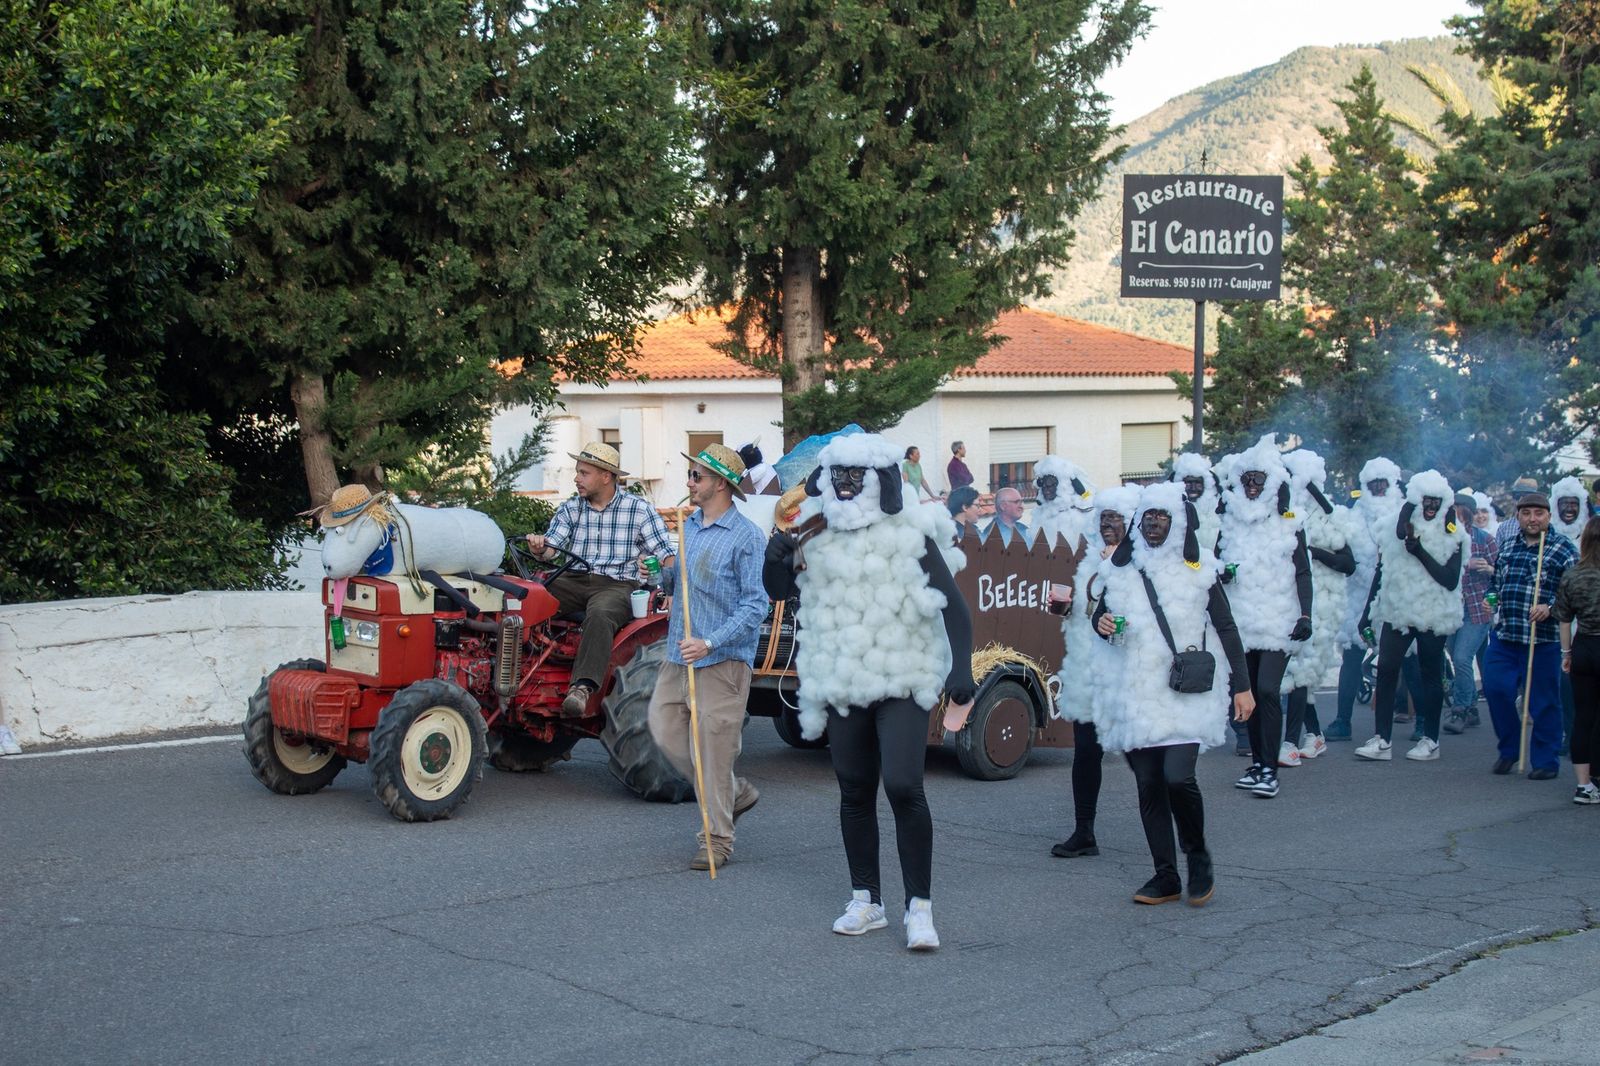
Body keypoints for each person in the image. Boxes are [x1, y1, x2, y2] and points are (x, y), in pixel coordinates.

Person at [762, 433, 974, 951]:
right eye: (838, 477)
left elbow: (956, 608)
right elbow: (778, 592)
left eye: (857, 476)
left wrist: (961, 670)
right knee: (854, 790)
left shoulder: (911, 537)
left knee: (903, 786)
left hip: (901, 676)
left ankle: (919, 908)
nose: (846, 486)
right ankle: (867, 901)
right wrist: (775, 557)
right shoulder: (814, 536)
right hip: (840, 677)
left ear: (881, 481)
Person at [1089, 483, 1254, 906]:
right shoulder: (1121, 569)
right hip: (1137, 690)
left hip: (1186, 688)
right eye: (1147, 518)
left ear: (1178, 522)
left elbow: (1227, 626)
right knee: (1148, 782)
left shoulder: (1200, 570)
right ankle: (1165, 875)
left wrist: (1243, 686)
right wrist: (1102, 623)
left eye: (1162, 517)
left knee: (1177, 777)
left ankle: (1197, 854)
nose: (1153, 524)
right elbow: (1101, 615)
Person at [647, 444, 769, 870]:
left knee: (713, 753)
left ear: (721, 484)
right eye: (690, 475)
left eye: (696, 476)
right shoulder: (690, 526)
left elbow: (756, 606)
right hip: (679, 653)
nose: (689, 483)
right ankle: (732, 794)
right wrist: (660, 572)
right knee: (663, 731)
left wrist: (711, 642)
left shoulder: (748, 536)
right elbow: (679, 583)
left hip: (722, 660)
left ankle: (717, 839)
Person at [525, 442, 675, 715]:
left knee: (602, 612)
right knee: (527, 597)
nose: (576, 479)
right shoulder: (571, 508)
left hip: (618, 583)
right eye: (577, 472)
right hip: (573, 579)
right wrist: (540, 547)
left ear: (606, 476)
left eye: (584, 473)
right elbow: (551, 547)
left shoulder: (638, 509)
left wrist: (672, 575)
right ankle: (517, 672)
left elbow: (665, 553)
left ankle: (582, 687)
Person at [1216, 435, 1311, 798]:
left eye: (1258, 480)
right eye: (1247, 480)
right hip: (1241, 620)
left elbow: (1303, 571)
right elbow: (1213, 564)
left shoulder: (1291, 522)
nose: (1252, 487)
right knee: (1248, 692)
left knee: (1269, 690)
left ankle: (1270, 768)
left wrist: (1306, 614)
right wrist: (1222, 573)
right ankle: (1257, 763)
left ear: (1271, 483)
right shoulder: (1231, 523)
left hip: (1279, 619)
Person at [1050, 484, 1139, 860]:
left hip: (1126, 673)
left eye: (1116, 519)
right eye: (1104, 518)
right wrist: (1064, 608)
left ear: (1130, 523)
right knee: (1086, 752)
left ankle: (1175, 827)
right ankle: (1084, 831)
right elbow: (1085, 613)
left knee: (1144, 756)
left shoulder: (1140, 564)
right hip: (1090, 673)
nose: (1108, 525)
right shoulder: (1091, 562)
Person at [1354, 470, 1466, 763]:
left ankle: (1431, 740)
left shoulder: (1455, 534)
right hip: (1398, 609)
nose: (1430, 508)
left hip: (1433, 612)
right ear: (1415, 501)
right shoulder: (1395, 527)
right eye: (1425, 501)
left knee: (1430, 673)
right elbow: (1382, 573)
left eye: (1436, 502)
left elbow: (1450, 579)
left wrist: (1420, 552)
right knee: (1387, 669)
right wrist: (1367, 614)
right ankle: (1382, 740)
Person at [1483, 492, 1579, 778]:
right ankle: (1509, 749)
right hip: (1506, 636)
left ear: (1548, 516)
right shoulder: (1508, 547)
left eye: (1538, 513)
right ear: (1518, 517)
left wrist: (1550, 607)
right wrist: (1492, 600)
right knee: (1496, 690)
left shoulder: (1564, 549)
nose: (1533, 519)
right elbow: (1495, 585)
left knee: (1544, 701)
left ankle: (1546, 761)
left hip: (1544, 640)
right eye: (1527, 514)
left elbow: (1574, 594)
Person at [1281, 449, 1355, 762]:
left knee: (1301, 672)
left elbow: (1349, 563)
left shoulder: (1330, 518)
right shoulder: (1283, 516)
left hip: (1323, 606)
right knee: (1298, 674)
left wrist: (1315, 553)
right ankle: (1316, 734)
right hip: (1289, 603)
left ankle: (1289, 742)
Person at [1329, 457, 1404, 742]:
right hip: (1359, 598)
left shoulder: (1402, 511)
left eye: (1382, 484)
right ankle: (1342, 721)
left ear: (1392, 484)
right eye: (1372, 485)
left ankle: (1422, 722)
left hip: (1395, 597)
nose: (1378, 490)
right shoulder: (1354, 515)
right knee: (1351, 659)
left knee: (1405, 660)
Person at [1443, 493, 1498, 735]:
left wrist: (1489, 568)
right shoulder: (1444, 537)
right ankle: (1473, 709)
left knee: (1463, 657)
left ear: (1469, 513)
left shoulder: (1485, 540)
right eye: (1452, 508)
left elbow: (1503, 573)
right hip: (1450, 607)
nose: (1455, 513)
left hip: (1477, 608)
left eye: (1459, 509)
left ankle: (1460, 709)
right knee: (1456, 657)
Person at [1556, 518, 1600, 803]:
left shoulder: (1572, 575)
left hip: (1583, 646)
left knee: (1583, 717)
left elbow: (1563, 618)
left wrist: (1566, 653)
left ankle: (1583, 786)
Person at [1551, 478, 1588, 755]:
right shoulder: (1549, 534)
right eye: (1565, 505)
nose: (1569, 510)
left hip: (1585, 617)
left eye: (1574, 505)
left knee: (1579, 679)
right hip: (1555, 614)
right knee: (1560, 680)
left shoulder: (1589, 533)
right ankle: (1566, 731)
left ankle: (1579, 732)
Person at [1170, 451, 1221, 555]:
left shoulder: (1217, 510)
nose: (1193, 488)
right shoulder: (1172, 511)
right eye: (1188, 483)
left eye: (1197, 483)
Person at [1496, 477, 1541, 551]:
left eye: (1525, 497)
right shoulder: (1504, 527)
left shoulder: (1543, 525)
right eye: (1517, 496)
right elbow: (1497, 556)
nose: (1520, 500)